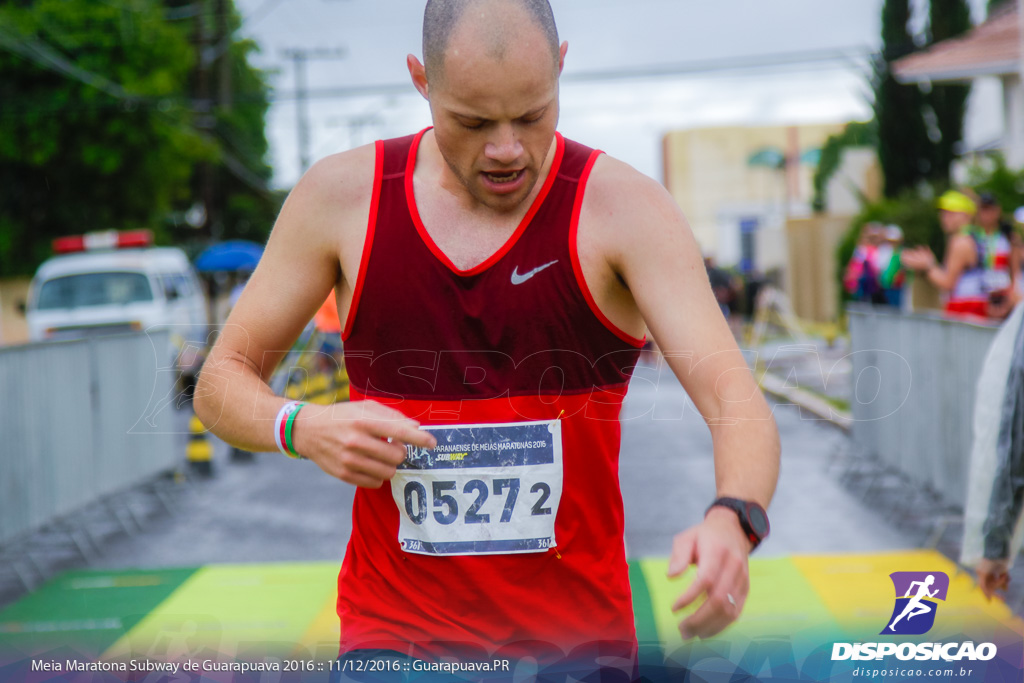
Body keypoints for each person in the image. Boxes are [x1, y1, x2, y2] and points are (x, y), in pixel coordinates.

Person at [194, 0, 780, 676]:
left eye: (532, 115)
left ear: (561, 68)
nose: (506, 149)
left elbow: (735, 397)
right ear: (422, 81)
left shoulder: (625, 210)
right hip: (396, 640)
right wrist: (302, 424)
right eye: (472, 122)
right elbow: (219, 381)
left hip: (575, 647)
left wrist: (733, 518)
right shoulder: (341, 198)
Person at [902, 190, 1019, 320]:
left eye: (951, 213)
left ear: (966, 215)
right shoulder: (977, 236)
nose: (944, 218)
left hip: (964, 308)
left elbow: (948, 284)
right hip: (980, 306)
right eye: (943, 213)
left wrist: (927, 266)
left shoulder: (960, 241)